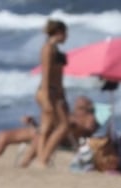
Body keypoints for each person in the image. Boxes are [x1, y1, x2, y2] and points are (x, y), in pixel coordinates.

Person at [0, 96, 100, 167]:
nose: (77, 107)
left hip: (60, 139)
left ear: (88, 107)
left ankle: (24, 164)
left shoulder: (89, 118)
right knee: (5, 135)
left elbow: (90, 130)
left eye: (80, 106)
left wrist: (72, 126)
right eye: (77, 105)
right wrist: (33, 122)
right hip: (45, 132)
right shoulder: (70, 114)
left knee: (39, 135)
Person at [33, 18, 70, 168]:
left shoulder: (54, 49)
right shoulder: (48, 49)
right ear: (59, 32)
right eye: (65, 33)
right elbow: (46, 74)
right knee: (63, 126)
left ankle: (41, 160)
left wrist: (62, 94)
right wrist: (48, 99)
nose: (67, 37)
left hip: (53, 92)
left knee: (46, 127)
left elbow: (59, 76)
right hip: (47, 91)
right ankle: (43, 158)